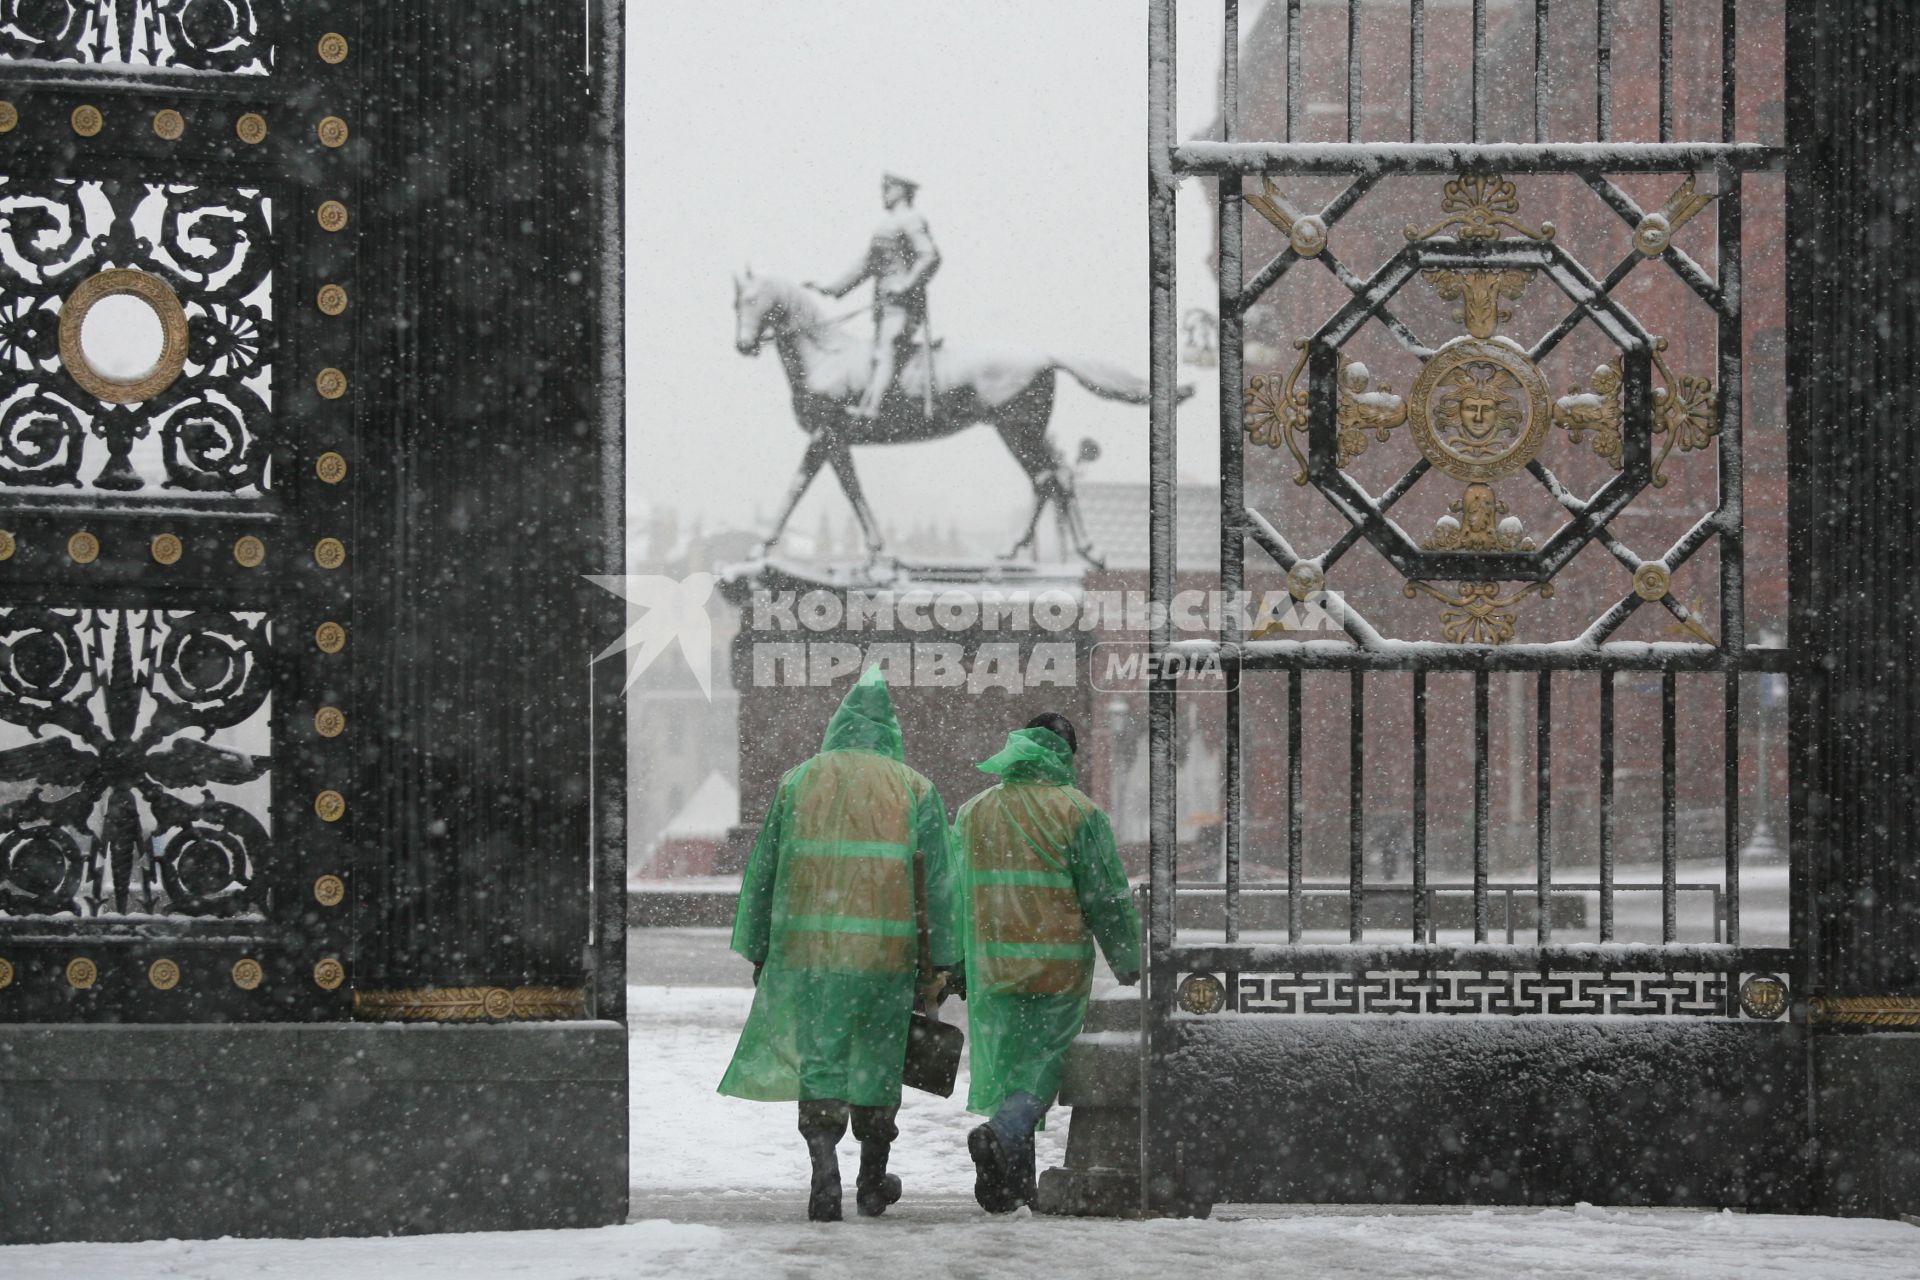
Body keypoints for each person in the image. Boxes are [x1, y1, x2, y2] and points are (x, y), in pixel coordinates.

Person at [718, 666, 958, 1222]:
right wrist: (945, 961)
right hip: (886, 956)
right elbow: (938, 884)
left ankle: (822, 1166)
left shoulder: (798, 781)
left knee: (821, 1055)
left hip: (811, 953)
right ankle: (872, 1180)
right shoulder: (915, 787)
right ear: (890, 730)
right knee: (879, 1057)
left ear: (837, 725)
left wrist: (759, 945)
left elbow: (765, 871)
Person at [950, 712, 1141, 1213]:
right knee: (1042, 1066)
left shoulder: (974, 812)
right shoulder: (1079, 813)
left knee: (1008, 1067)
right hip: (1055, 966)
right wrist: (1128, 960)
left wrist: (953, 963)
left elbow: (952, 893)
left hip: (992, 965)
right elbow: (1107, 896)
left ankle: (1015, 1183)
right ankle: (1001, 1134)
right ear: (1066, 755)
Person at [809, 172, 941, 420]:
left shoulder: (911, 219)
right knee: (877, 353)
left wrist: (906, 284)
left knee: (887, 349)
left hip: (904, 304)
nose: (883, 192)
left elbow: (930, 256)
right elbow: (867, 264)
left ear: (902, 190)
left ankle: (874, 409)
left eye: (888, 188)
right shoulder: (886, 225)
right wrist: (833, 287)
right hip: (884, 305)